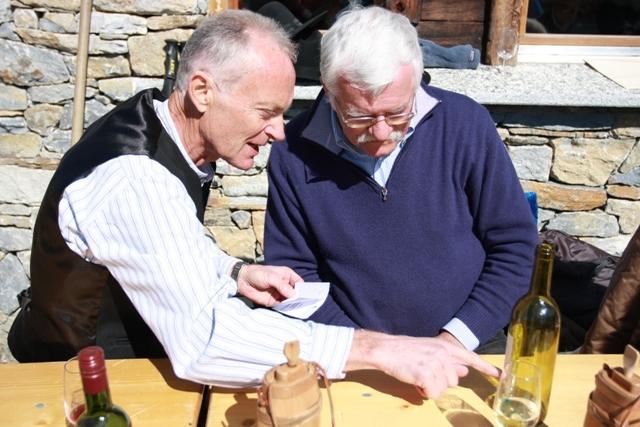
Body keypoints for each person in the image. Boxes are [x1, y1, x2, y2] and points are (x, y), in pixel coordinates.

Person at [8, 9, 498, 399]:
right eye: (266, 112)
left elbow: (161, 248)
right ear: (202, 90)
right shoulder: (133, 178)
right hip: (85, 391)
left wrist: (232, 271)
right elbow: (206, 339)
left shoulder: (158, 133)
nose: (280, 133)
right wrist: (377, 349)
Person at [264, 6, 539, 353]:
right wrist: (372, 351)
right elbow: (295, 277)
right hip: (353, 350)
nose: (381, 132)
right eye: (359, 116)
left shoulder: (465, 124)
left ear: (416, 82)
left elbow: (516, 245)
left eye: (396, 113)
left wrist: (454, 341)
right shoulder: (293, 153)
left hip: (471, 341)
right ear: (329, 92)